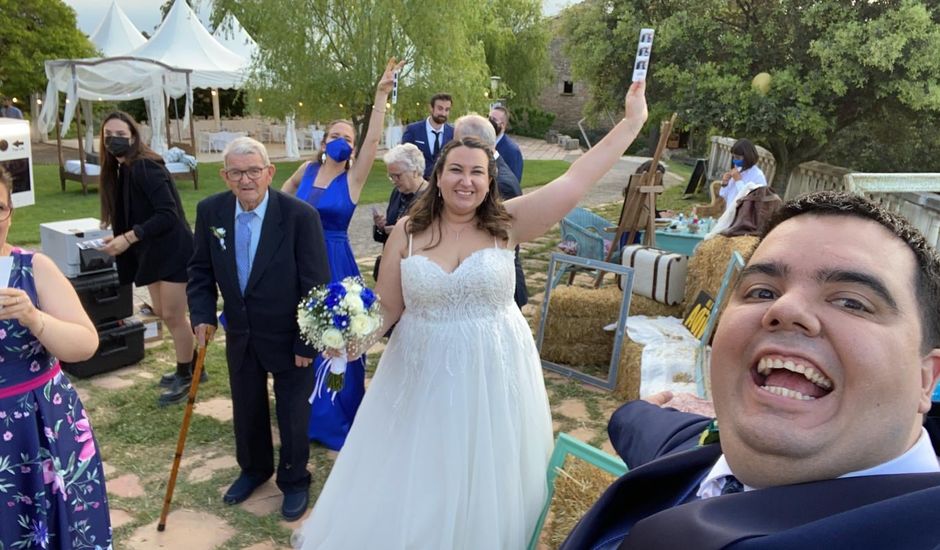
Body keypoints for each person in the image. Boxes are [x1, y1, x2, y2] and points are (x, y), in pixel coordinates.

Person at [292, 80, 648, 549]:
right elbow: (387, 308)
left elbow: (574, 181)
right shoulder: (407, 233)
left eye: (477, 172)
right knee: (419, 474)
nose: (466, 181)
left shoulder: (508, 225)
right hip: (419, 374)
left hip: (494, 373)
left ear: (489, 179)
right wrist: (348, 341)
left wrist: (631, 123)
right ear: (438, 176)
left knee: (487, 478)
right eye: (456, 170)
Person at [562, 191, 940, 549]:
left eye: (851, 302)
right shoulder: (701, 446)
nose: (785, 309)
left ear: (927, 379)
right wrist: (635, 412)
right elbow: (643, 425)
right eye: (762, 291)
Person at [187, 137, 331, 521]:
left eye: (253, 171)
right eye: (236, 172)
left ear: (270, 173)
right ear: (225, 176)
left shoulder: (300, 216)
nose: (245, 179)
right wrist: (200, 314)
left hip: (290, 336)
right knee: (247, 408)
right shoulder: (210, 212)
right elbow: (200, 271)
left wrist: (308, 341)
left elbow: (316, 285)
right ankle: (254, 469)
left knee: (293, 414)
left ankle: (295, 478)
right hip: (242, 333)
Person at [280, 58, 403, 451]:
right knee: (298, 336)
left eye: (348, 138)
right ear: (322, 140)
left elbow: (372, 141)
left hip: (334, 261)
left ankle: (332, 413)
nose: (343, 141)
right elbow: (279, 203)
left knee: (335, 337)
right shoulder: (305, 171)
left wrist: (381, 95)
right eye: (336, 134)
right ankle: (299, 406)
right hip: (298, 260)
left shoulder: (354, 176)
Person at [0, 168, 112, 548]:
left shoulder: (33, 269)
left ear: (10, 211)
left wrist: (34, 317)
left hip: (39, 424)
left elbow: (85, 344)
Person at [97, 111, 196, 406]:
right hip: (152, 251)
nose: (114, 140)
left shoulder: (145, 167)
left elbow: (167, 214)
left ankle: (186, 374)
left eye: (120, 134)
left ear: (133, 136)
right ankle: (189, 365)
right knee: (164, 312)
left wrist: (128, 238)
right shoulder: (123, 169)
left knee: (175, 317)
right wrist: (119, 235)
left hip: (173, 250)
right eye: (108, 135)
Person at [453, 113, 528, 308]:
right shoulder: (490, 171)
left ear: (473, 143)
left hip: (497, 291)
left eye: (456, 142)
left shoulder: (502, 184)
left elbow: (499, 240)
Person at [372, 143, 428, 245]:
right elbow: (386, 236)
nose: (393, 181)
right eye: (391, 176)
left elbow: (433, 237)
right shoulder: (397, 193)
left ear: (415, 171)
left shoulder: (431, 197)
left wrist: (402, 234)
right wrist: (381, 227)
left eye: (397, 176)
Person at [402, 92, 454, 179]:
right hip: (418, 184)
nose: (443, 113)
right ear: (431, 108)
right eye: (440, 108)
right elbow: (404, 156)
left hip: (444, 184)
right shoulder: (413, 130)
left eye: (447, 109)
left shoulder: (453, 133)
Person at [718, 138, 767, 217]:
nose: (734, 160)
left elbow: (751, 200)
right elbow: (723, 194)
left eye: (738, 158)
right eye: (733, 157)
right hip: (729, 214)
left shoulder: (758, 176)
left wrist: (738, 181)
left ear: (748, 157)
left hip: (743, 218)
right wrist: (725, 183)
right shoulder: (738, 169)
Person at [489, 105, 524, 182]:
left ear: (503, 125)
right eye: (489, 118)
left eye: (494, 120)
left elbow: (514, 182)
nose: (490, 122)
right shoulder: (484, 143)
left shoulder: (512, 151)